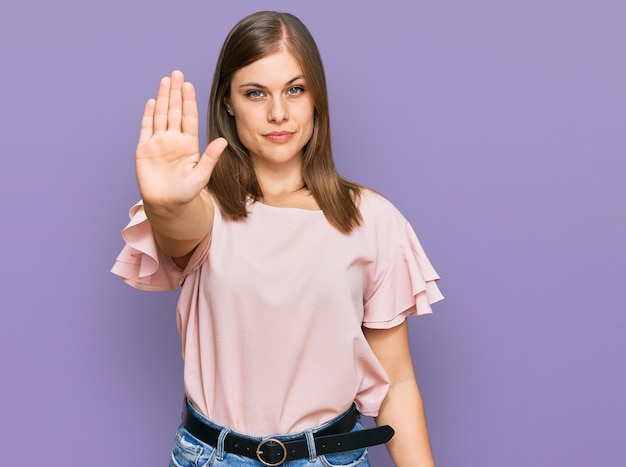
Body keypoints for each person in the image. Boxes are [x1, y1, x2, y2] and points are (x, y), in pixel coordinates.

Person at [112, 10, 443, 467]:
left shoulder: (371, 219)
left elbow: (398, 384)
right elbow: (178, 233)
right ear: (228, 102)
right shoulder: (205, 209)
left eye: (295, 89)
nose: (278, 113)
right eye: (255, 93)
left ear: (316, 99)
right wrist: (166, 205)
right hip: (212, 458)